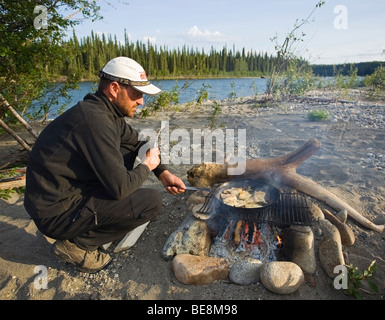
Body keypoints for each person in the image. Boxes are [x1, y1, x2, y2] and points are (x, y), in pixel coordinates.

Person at [24, 56, 186, 273]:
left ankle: (88, 228)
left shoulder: (105, 113)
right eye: (137, 94)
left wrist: (163, 172)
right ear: (114, 88)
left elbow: (140, 142)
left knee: (130, 148)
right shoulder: (95, 122)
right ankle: (78, 246)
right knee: (151, 201)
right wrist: (147, 166)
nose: (141, 102)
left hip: (63, 194)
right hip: (55, 213)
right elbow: (120, 189)